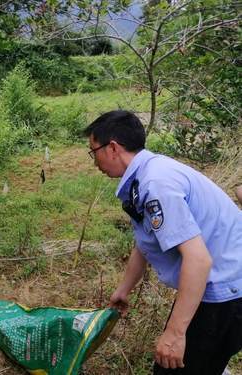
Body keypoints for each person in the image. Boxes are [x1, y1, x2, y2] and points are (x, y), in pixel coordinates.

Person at [83, 110, 242, 375]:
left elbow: (199, 260)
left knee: (174, 365)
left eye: (93, 151)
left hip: (228, 291)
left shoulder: (156, 184)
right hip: (225, 283)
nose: (94, 161)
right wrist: (124, 289)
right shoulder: (147, 175)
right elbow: (147, 241)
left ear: (112, 148)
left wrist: (175, 334)